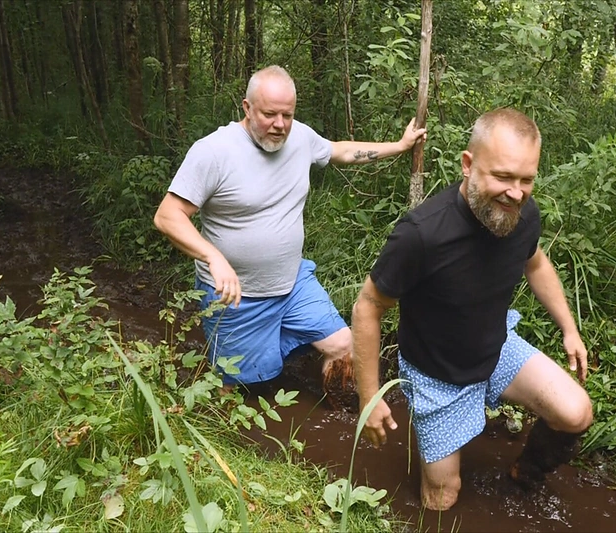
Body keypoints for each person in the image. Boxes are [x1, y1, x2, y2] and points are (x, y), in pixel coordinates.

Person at [351, 108, 593, 511]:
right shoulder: (422, 234)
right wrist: (369, 399)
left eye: (526, 179)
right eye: (502, 176)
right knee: (442, 499)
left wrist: (569, 328)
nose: (516, 192)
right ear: (468, 165)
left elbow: (535, 262)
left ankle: (525, 473)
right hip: (436, 376)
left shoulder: (523, 215)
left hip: (494, 349)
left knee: (576, 412)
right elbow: (368, 308)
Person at [154, 65, 426, 401]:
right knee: (233, 388)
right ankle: (226, 438)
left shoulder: (300, 137)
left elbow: (340, 150)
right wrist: (213, 257)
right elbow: (168, 216)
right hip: (237, 297)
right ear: (247, 107)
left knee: (345, 345)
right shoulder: (213, 152)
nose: (280, 125)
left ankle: (334, 424)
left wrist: (399, 146)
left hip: (292, 283)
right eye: (269, 114)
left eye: (287, 114)